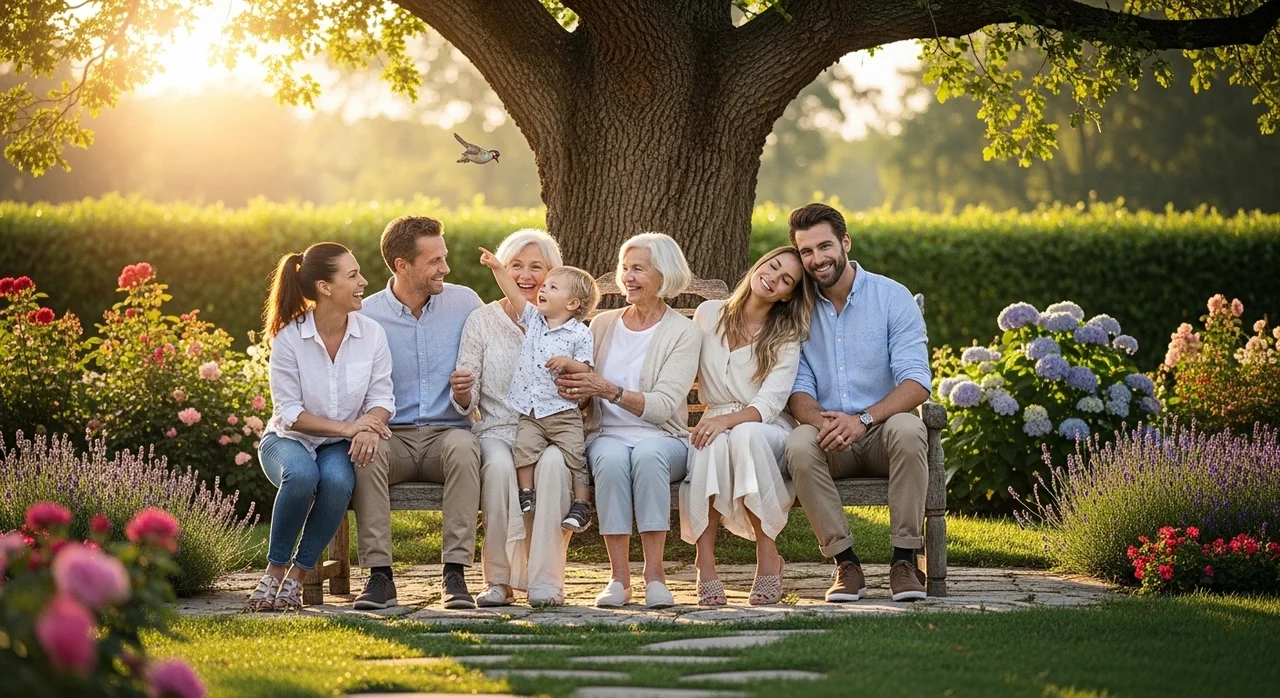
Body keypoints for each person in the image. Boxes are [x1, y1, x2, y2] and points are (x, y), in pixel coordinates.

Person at [784, 203, 932, 603]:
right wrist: (821, 421)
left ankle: (905, 561)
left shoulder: (891, 297)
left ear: (845, 242)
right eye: (806, 252)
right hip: (832, 438)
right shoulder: (797, 309)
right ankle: (845, 564)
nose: (817, 259)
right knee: (798, 443)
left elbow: (917, 382)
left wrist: (863, 420)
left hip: (883, 434)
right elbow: (797, 388)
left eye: (824, 246)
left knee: (909, 426)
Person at [246, 242, 395, 612]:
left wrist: (368, 426)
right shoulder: (289, 337)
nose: (363, 281)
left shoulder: (371, 334)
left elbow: (382, 398)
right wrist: (351, 429)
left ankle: (296, 579)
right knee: (300, 476)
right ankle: (273, 573)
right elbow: (291, 413)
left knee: (339, 482)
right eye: (353, 275)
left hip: (335, 446)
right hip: (287, 438)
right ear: (325, 287)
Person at [555, 233, 701, 609]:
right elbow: (584, 390)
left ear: (664, 275)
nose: (628, 277)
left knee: (648, 454)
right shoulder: (602, 324)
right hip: (607, 434)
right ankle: (619, 579)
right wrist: (581, 390)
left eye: (639, 268)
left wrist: (608, 389)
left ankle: (655, 576)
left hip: (664, 438)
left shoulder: (683, 333)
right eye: (625, 268)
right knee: (610, 458)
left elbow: (665, 405)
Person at [352, 215, 484, 610]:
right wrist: (367, 427)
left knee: (465, 447)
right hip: (393, 436)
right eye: (435, 261)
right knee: (365, 454)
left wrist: (466, 394)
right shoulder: (365, 316)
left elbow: (485, 368)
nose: (446, 268)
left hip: (448, 434)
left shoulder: (465, 302)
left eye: (444, 258)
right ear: (401, 265)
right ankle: (379, 577)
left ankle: (455, 574)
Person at [679, 247, 816, 606]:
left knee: (741, 435)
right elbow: (680, 372)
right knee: (711, 443)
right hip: (716, 424)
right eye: (772, 267)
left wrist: (725, 421)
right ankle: (705, 564)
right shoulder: (708, 314)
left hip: (766, 427)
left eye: (786, 280)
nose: (774, 278)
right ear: (759, 264)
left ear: (789, 295)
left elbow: (770, 403)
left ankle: (767, 557)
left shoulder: (786, 333)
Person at [454, 229, 578, 607]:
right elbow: (468, 395)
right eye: (516, 266)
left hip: (550, 430)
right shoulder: (482, 321)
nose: (526, 276)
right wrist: (462, 393)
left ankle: (546, 581)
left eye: (536, 267)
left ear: (552, 275)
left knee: (556, 465)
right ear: (503, 272)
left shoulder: (565, 327)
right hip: (497, 428)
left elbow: (579, 389)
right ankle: (498, 580)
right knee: (498, 466)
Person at [477, 246, 599, 531]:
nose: (542, 290)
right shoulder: (533, 320)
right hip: (531, 411)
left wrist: (568, 363)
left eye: (552, 287)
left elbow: (587, 371)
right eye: (545, 286)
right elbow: (513, 293)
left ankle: (582, 505)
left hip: (562, 412)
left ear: (572, 304)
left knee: (575, 456)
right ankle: (526, 494)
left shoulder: (580, 333)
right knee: (524, 450)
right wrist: (497, 268)